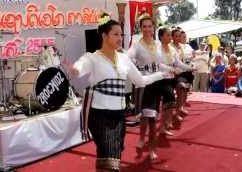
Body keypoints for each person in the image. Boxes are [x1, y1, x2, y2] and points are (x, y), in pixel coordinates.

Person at [63, 13, 166, 171]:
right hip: (99, 116)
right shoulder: (92, 58)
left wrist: (161, 74)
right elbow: (78, 69)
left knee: (110, 158)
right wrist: (73, 70)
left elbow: (140, 81)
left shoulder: (124, 59)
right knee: (109, 157)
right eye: (116, 34)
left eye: (121, 34)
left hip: (119, 116)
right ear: (104, 36)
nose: (120, 38)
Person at [128, 16, 171, 161]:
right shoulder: (136, 44)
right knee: (149, 117)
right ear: (141, 28)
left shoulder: (158, 44)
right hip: (145, 85)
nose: (147, 29)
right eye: (144, 26)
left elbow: (160, 64)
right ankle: (147, 144)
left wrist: (172, 69)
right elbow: (129, 58)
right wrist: (131, 64)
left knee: (150, 117)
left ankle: (147, 143)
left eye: (149, 26)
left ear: (154, 28)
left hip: (157, 83)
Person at [158, 27, 194, 136]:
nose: (170, 38)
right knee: (169, 101)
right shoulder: (157, 49)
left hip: (172, 78)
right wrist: (171, 69)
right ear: (161, 37)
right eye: (168, 35)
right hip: (162, 78)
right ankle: (164, 125)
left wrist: (189, 68)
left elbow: (178, 63)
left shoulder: (172, 49)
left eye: (170, 35)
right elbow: (158, 64)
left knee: (170, 101)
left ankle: (165, 125)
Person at [171, 28, 195, 118]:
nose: (179, 38)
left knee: (184, 91)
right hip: (174, 73)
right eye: (176, 36)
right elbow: (176, 62)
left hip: (185, 72)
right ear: (172, 37)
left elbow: (184, 60)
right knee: (180, 89)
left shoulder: (182, 47)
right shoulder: (170, 47)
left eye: (180, 36)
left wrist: (191, 64)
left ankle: (179, 109)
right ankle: (178, 109)